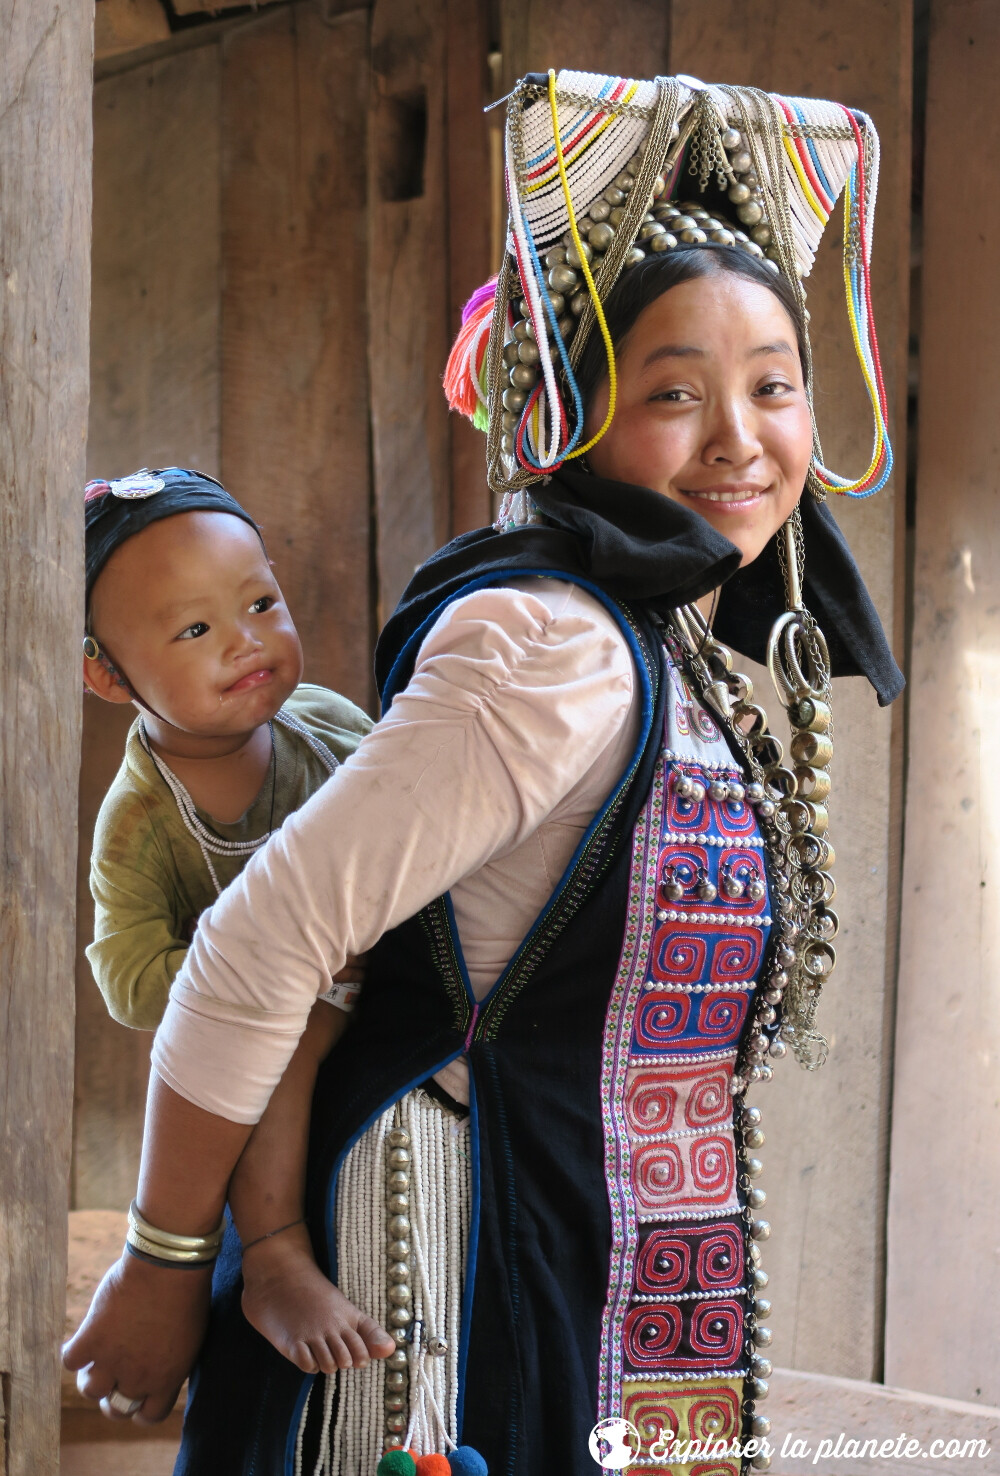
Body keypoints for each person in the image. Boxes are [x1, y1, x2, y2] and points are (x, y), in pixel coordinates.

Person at [65, 73, 903, 1476]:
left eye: (773, 387)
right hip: (443, 1284)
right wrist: (165, 1258)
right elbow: (258, 945)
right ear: (571, 412)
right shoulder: (548, 644)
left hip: (600, 1255)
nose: (740, 440)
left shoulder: (667, 635)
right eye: (675, 393)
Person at [80, 467, 394, 1380]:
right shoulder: (141, 822)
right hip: (255, 1043)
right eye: (194, 629)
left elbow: (412, 822)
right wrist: (252, 959)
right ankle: (273, 1256)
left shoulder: (326, 727)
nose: (246, 642)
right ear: (108, 674)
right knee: (281, 1029)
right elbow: (127, 978)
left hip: (386, 983)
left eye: (261, 601)